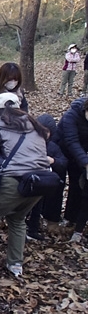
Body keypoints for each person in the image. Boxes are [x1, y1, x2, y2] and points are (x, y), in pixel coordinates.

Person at [0, 93, 50, 276]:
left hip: (15, 182)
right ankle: (15, 264)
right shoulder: (35, 126)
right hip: (40, 182)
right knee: (18, 220)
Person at [25, 114, 67, 241]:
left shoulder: (53, 147)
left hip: (45, 182)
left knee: (39, 205)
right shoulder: (28, 142)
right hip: (30, 180)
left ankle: (33, 228)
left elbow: (63, 163)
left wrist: (53, 161)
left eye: (46, 132)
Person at [58, 98, 88, 231]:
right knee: (59, 184)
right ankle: (52, 218)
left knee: (77, 186)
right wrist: (86, 163)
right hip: (62, 151)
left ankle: (71, 218)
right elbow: (71, 141)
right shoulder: (72, 115)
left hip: (80, 155)